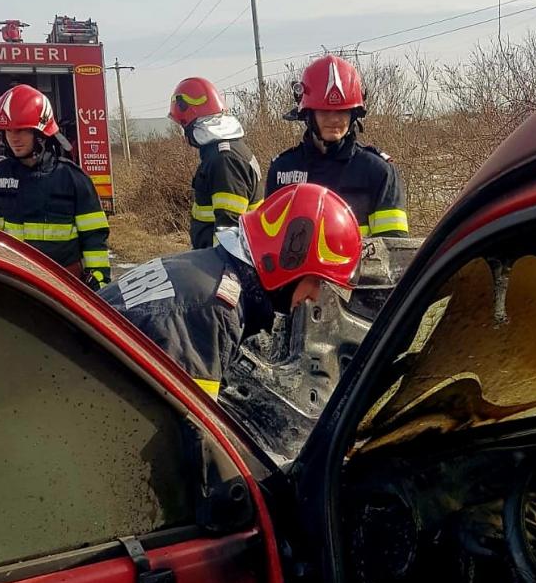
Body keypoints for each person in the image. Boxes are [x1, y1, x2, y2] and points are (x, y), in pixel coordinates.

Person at [100, 183, 361, 399]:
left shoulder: (207, 268)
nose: (316, 296)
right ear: (288, 265)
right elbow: (195, 435)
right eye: (317, 281)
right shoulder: (214, 310)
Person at [0, 85, 111, 288]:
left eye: (21, 129)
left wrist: (97, 278)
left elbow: (93, 237)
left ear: (41, 132)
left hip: (66, 283)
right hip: (15, 284)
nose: (14, 138)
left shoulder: (73, 179)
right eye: (8, 131)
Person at [266, 54, 409, 238]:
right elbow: (268, 241)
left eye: (342, 112)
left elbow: (393, 252)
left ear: (354, 114)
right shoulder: (282, 170)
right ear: (308, 115)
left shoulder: (379, 172)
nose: (334, 119)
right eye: (325, 112)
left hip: (362, 268)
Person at [169, 76, 263, 249]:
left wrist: (214, 269)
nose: (183, 135)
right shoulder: (224, 152)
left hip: (221, 268)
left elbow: (229, 234)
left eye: (183, 127)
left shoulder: (225, 160)